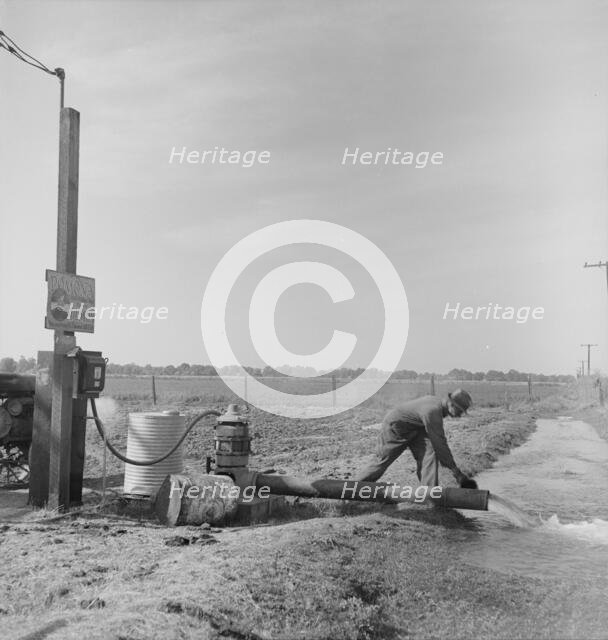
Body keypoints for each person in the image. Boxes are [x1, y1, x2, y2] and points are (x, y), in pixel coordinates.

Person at [356, 389, 477, 489]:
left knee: (430, 454)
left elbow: (436, 445)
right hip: (396, 426)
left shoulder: (438, 406)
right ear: (451, 404)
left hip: (415, 427)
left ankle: (429, 494)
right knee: (382, 460)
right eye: (460, 411)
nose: (460, 415)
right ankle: (351, 489)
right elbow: (440, 443)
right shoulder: (433, 411)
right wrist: (456, 471)